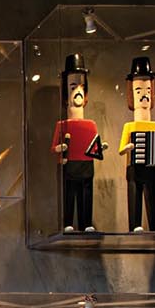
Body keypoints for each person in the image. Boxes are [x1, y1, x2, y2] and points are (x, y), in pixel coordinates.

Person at [118, 54, 155, 232]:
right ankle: (135, 224)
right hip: (135, 169)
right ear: (131, 95)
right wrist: (128, 148)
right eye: (138, 91)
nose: (144, 96)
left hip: (153, 168)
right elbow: (121, 149)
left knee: (154, 194)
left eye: (147, 91)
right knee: (135, 196)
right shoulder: (129, 126)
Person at [51, 52, 103, 233]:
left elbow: (96, 145)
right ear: (66, 93)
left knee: (86, 194)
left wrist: (100, 148)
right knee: (70, 194)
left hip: (86, 164)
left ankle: (86, 222)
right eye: (73, 87)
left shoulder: (91, 125)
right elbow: (54, 147)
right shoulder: (62, 124)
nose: (78, 91)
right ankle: (68, 222)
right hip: (70, 164)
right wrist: (61, 147)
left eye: (81, 86)